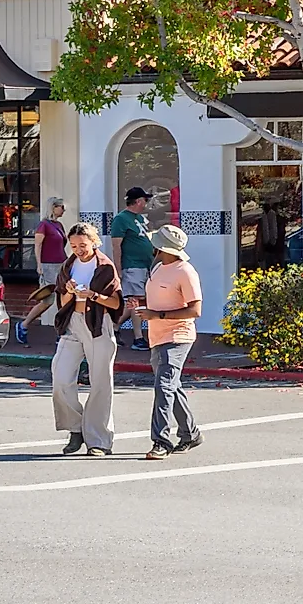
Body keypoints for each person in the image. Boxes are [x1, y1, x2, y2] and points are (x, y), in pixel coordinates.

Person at [48, 222, 122, 457]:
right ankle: (76, 428)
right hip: (73, 323)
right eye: (73, 246)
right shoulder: (68, 266)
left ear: (93, 242)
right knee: (60, 379)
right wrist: (69, 290)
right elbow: (61, 303)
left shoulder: (105, 267)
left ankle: (99, 440)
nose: (78, 250)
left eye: (82, 245)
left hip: (98, 325)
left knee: (101, 382)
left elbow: (116, 303)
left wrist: (93, 295)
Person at [140, 225, 204, 459]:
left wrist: (158, 316)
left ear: (161, 247)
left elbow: (195, 309)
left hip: (178, 336)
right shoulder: (158, 268)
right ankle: (190, 433)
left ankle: (161, 441)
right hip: (157, 336)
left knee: (163, 386)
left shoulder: (185, 271)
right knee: (171, 386)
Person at [109, 189, 156, 352]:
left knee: (138, 301)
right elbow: (116, 245)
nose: (146, 204)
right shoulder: (121, 219)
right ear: (137, 201)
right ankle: (138, 338)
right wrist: (118, 269)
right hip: (132, 265)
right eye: (145, 200)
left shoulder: (141, 219)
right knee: (136, 300)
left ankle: (114, 327)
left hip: (146, 265)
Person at [31, 199, 69, 330]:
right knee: (49, 300)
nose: (64, 210)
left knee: (64, 295)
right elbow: (38, 245)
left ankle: (63, 327)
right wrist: (39, 264)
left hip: (62, 264)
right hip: (49, 265)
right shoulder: (44, 225)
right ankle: (24, 324)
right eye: (61, 207)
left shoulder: (59, 225)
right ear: (53, 208)